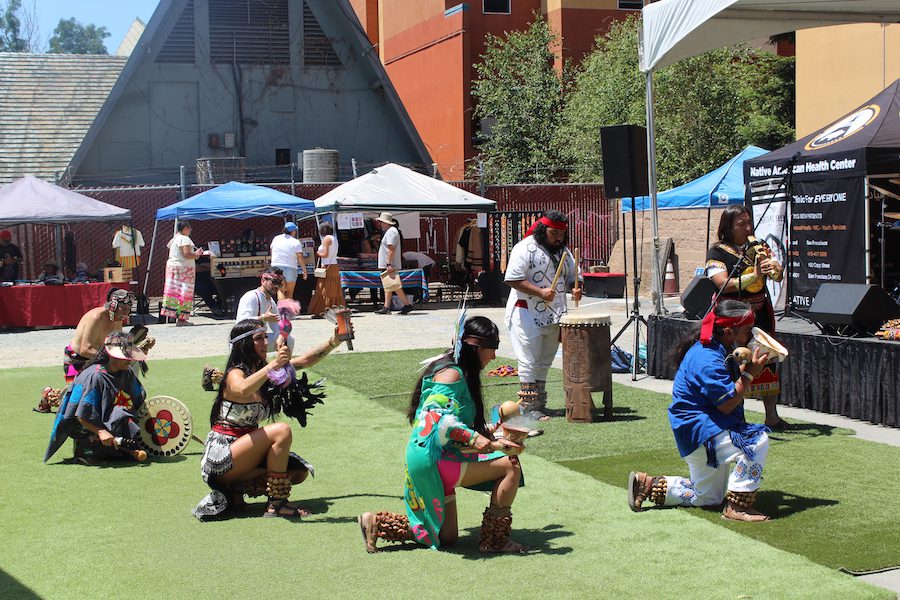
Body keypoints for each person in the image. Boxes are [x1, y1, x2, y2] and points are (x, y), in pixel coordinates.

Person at [358, 316, 527, 554]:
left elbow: (452, 422)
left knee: (445, 537)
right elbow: (438, 420)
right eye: (493, 348)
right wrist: (477, 440)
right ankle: (495, 540)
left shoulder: (457, 371)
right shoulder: (451, 374)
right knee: (511, 465)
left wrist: (491, 431)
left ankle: (376, 523)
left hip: (430, 456)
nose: (494, 356)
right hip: (435, 459)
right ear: (476, 347)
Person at [628, 299, 773, 522]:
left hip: (697, 430)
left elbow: (725, 388)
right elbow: (726, 403)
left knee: (708, 498)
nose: (750, 336)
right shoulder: (707, 358)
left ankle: (649, 485)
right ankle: (737, 506)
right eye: (746, 331)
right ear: (728, 331)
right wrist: (750, 374)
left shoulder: (717, 347)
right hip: (701, 431)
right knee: (757, 440)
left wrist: (746, 369)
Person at [192, 318, 346, 520]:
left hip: (244, 454)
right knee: (281, 430)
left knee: (298, 472)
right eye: (259, 338)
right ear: (244, 344)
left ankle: (235, 489)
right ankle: (276, 503)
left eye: (266, 337)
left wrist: (334, 340)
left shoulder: (263, 371)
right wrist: (274, 364)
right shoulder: (234, 374)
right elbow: (242, 389)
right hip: (221, 458)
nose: (266, 343)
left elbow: (305, 360)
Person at [706, 205, 789, 430]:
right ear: (728, 227)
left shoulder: (759, 245)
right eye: (741, 224)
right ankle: (733, 414)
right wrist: (754, 275)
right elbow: (722, 283)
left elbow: (775, 276)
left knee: (767, 359)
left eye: (748, 223)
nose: (748, 228)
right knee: (737, 361)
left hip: (760, 312)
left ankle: (772, 416)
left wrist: (777, 269)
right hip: (733, 318)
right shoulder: (718, 252)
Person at [505, 210, 581, 420]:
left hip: (554, 315)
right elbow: (512, 278)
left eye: (561, 233)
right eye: (554, 232)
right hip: (525, 312)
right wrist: (539, 292)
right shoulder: (525, 248)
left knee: (545, 361)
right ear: (542, 229)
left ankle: (539, 405)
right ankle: (529, 408)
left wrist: (576, 288)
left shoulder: (564, 251)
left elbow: (574, 276)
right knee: (529, 360)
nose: (558, 237)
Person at [44, 331, 148, 466]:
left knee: (122, 415)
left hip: (110, 419)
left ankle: (116, 446)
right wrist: (100, 431)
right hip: (83, 423)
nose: (130, 360)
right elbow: (81, 415)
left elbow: (138, 400)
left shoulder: (126, 372)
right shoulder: (96, 376)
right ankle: (85, 449)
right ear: (112, 356)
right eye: (126, 357)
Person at [64, 288, 134, 385]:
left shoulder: (117, 318)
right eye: (124, 309)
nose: (126, 314)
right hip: (78, 359)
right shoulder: (96, 317)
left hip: (101, 358)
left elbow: (117, 344)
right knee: (79, 394)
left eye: (128, 309)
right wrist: (112, 358)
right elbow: (85, 350)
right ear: (114, 306)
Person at [235, 267, 294, 352]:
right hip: (242, 340)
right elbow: (241, 322)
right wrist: (262, 318)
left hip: (258, 338)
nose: (276, 286)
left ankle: (284, 365)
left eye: (279, 283)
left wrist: (282, 336)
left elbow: (278, 325)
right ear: (263, 281)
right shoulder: (250, 296)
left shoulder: (270, 302)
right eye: (274, 282)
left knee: (288, 339)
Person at [161, 220, 204, 326]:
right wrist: (197, 255)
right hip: (184, 269)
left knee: (174, 291)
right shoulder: (185, 239)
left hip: (173, 267)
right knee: (185, 292)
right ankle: (182, 319)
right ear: (185, 228)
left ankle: (174, 315)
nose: (190, 230)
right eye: (189, 228)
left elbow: (169, 245)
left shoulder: (175, 238)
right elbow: (187, 254)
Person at [374, 212, 412, 315]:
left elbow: (391, 248)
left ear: (386, 223)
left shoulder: (391, 232)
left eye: (381, 222)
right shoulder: (391, 231)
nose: (380, 224)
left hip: (390, 264)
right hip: (389, 263)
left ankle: (407, 304)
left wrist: (388, 263)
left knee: (394, 285)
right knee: (389, 285)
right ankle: (386, 306)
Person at [307, 221, 345, 316]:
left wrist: (317, 253)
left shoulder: (327, 239)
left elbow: (325, 254)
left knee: (323, 289)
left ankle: (322, 309)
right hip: (333, 265)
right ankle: (334, 308)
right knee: (333, 289)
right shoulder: (334, 238)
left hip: (327, 266)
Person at [270, 222, 308, 302]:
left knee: (280, 291)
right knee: (290, 293)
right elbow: (300, 257)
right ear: (293, 231)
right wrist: (304, 270)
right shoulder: (295, 242)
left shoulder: (276, 238)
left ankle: (282, 312)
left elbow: (272, 251)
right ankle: (288, 313)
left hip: (276, 266)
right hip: (291, 267)